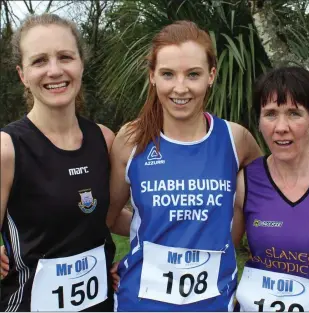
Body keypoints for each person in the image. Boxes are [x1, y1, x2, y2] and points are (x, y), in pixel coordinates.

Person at [105, 20, 262, 311]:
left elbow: (261, 200)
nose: (180, 87)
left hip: (214, 303)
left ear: (211, 75)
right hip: (140, 302)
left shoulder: (236, 140)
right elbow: (110, 218)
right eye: (167, 74)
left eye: (193, 74)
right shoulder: (131, 140)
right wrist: (154, 235)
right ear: (152, 76)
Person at [0, 13, 123, 312]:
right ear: (22, 75)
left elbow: (104, 213)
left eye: (65, 57)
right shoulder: (7, 148)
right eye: (39, 61)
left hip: (101, 303)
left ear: (81, 64)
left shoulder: (104, 139)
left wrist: (164, 228)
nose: (54, 70)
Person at [234, 66, 309, 312]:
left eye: (294, 114)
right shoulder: (246, 182)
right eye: (270, 114)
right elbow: (221, 252)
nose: (280, 127)